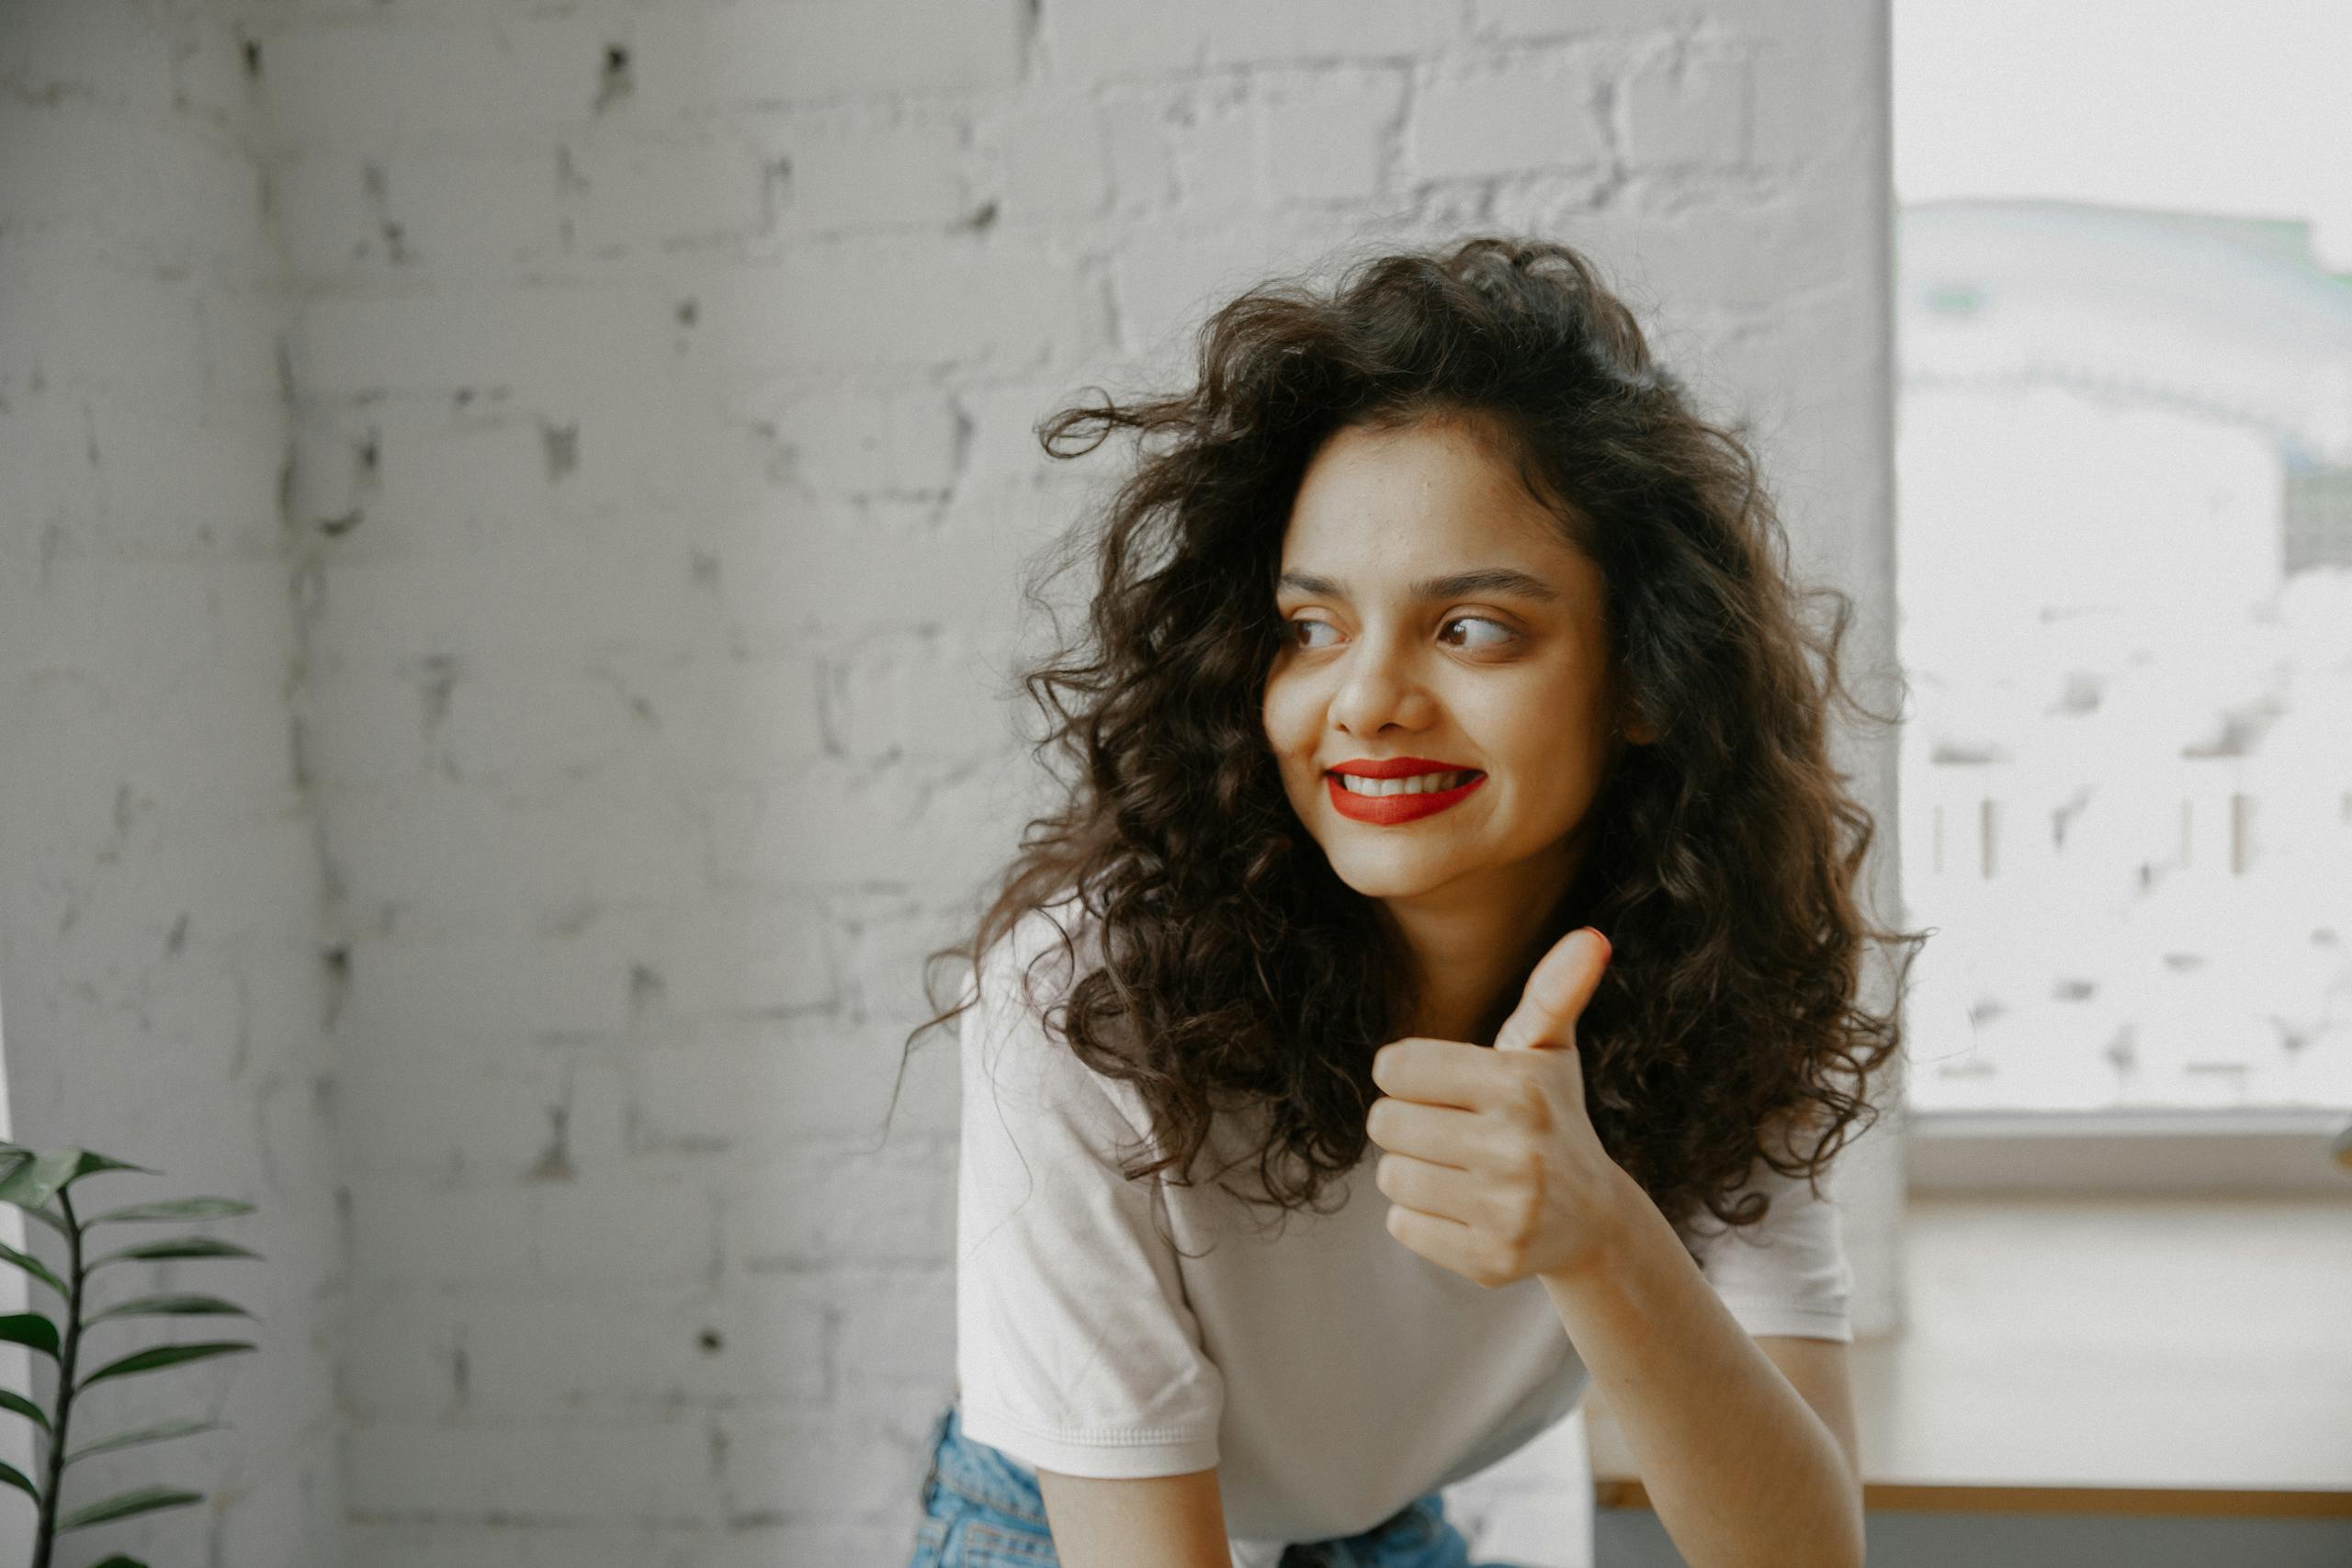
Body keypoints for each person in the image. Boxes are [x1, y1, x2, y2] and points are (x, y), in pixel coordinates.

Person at [888, 236, 1919, 1568]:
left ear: (1652, 680)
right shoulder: (1080, 996)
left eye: (1471, 628)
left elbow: (1801, 1557)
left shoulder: (1720, 979)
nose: (1366, 700)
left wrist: (1603, 1236)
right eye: (1312, 629)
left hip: (1367, 1531)